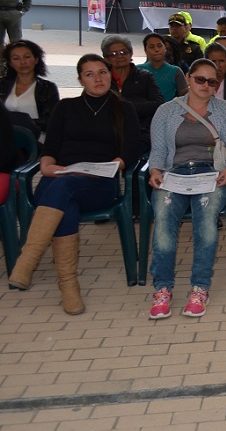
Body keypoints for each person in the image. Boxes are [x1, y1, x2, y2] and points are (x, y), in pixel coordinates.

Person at [7, 55, 141, 314]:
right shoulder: (66, 107)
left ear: (110, 75)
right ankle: (68, 285)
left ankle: (29, 260)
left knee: (62, 189)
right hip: (61, 178)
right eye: (89, 74)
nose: (97, 79)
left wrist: (112, 166)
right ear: (80, 79)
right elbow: (51, 147)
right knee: (63, 193)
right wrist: (46, 165)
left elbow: (131, 151)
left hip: (99, 184)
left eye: (102, 72)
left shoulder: (124, 109)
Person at [146, 59, 226, 319]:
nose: (205, 85)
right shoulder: (166, 111)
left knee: (205, 219)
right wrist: (155, 170)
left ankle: (200, 286)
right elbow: (157, 150)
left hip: (213, 174)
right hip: (175, 173)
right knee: (165, 219)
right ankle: (162, 288)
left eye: (212, 81)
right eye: (200, 79)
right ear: (189, 78)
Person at [102, 34, 164, 152]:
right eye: (114, 54)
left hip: (141, 131)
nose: (119, 56)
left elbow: (158, 103)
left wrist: (125, 107)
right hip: (109, 132)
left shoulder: (145, 76)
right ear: (106, 58)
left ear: (131, 54)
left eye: (123, 52)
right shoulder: (101, 79)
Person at [1, 39, 60, 136]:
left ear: (36, 59)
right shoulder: (2, 85)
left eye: (27, 57)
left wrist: (24, 123)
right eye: (16, 58)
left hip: (36, 138)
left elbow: (51, 120)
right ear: (10, 63)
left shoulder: (48, 88)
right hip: (5, 136)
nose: (23, 62)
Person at [137, 34, 187, 102]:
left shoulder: (175, 71)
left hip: (169, 111)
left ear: (165, 49)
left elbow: (185, 97)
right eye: (152, 47)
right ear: (145, 51)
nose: (156, 49)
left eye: (159, 46)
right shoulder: (137, 70)